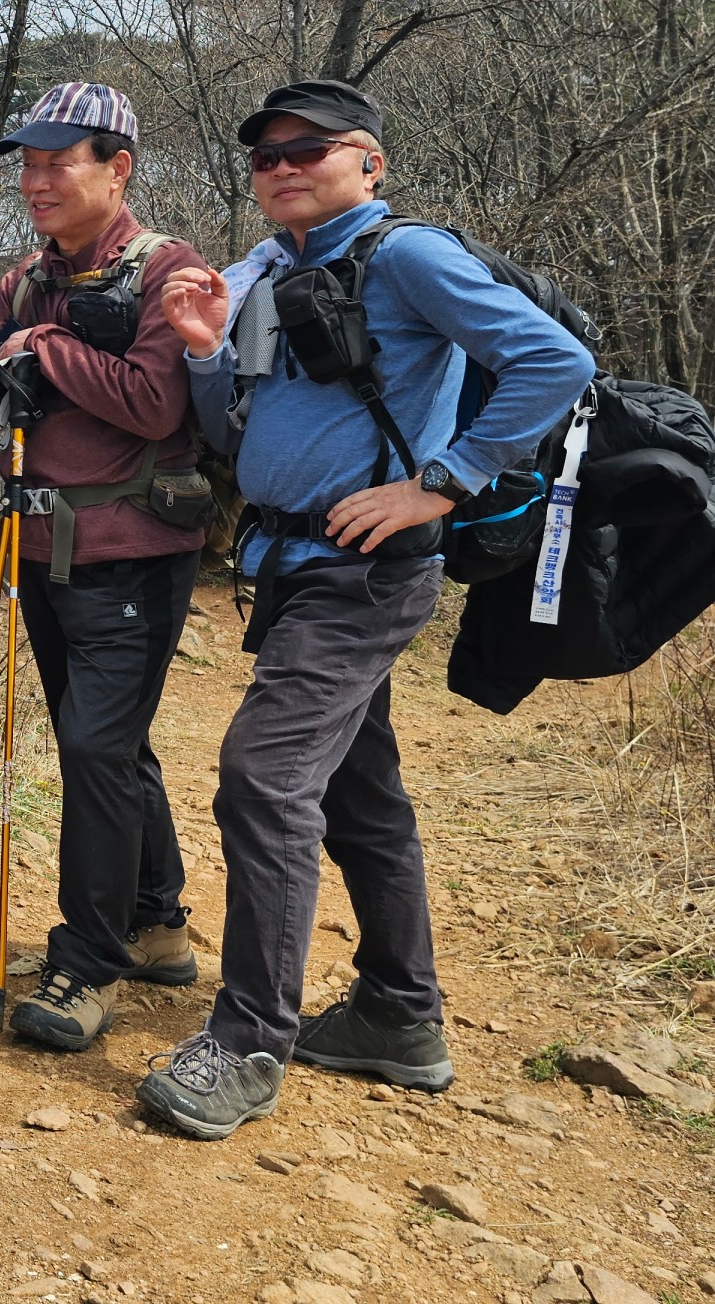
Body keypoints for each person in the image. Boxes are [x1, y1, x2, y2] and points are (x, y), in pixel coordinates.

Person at [139, 79, 595, 1137]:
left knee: (263, 776)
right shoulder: (272, 271)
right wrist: (207, 347)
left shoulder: (406, 255)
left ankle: (251, 1040)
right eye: (266, 156)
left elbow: (553, 360)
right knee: (360, 791)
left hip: (364, 574)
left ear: (368, 162)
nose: (285, 166)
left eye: (311, 149)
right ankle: (398, 1013)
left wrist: (442, 480)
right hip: (296, 564)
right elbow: (231, 421)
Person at [0, 83, 209, 1053]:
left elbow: (155, 403)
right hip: (42, 551)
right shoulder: (28, 277)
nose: (36, 180)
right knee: (112, 747)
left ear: (118, 167)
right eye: (29, 163)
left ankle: (87, 963)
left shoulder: (165, 270)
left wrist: (41, 349)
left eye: (60, 162)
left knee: (93, 750)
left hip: (134, 559)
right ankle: (158, 920)